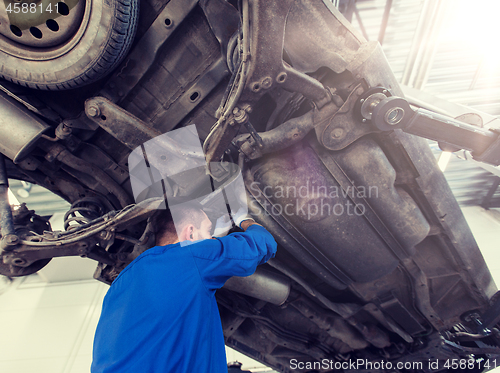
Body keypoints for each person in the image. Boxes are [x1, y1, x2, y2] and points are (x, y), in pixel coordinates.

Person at [91, 201, 277, 373]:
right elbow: (263, 244)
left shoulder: (120, 282)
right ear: (190, 233)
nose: (211, 238)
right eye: (208, 231)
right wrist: (245, 220)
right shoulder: (191, 257)